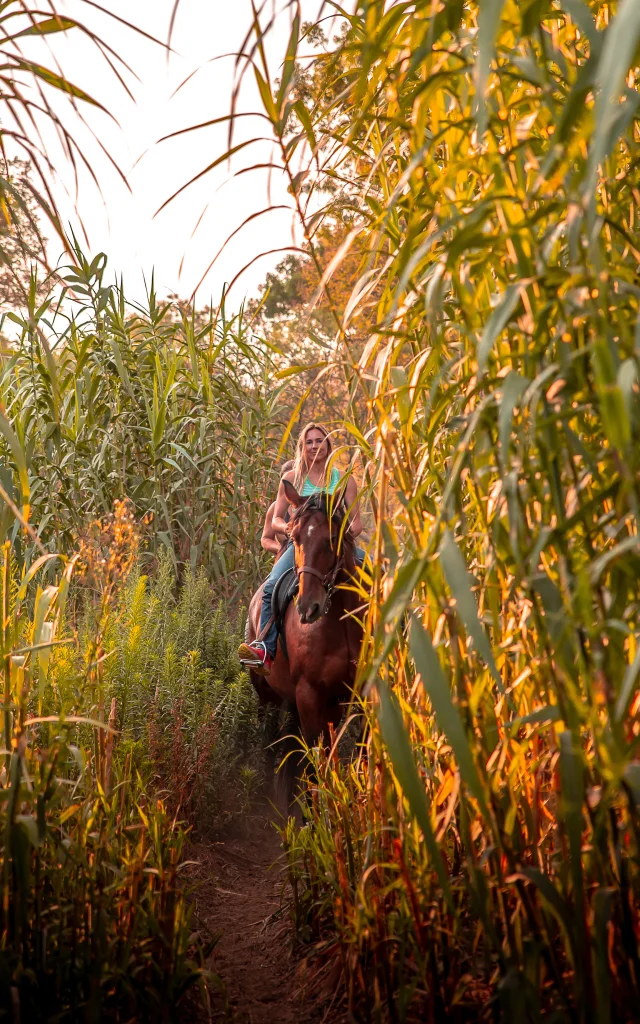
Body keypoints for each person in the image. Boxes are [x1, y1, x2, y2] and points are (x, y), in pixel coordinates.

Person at [238, 422, 364, 675]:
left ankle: (396, 643)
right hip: (302, 546)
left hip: (336, 546)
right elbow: (276, 518)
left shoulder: (345, 480)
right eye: (309, 442)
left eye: (320, 440)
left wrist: (336, 536)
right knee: (272, 585)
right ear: (302, 447)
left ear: (328, 445)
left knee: (378, 575)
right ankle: (265, 648)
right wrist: (291, 530)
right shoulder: (291, 479)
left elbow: (357, 524)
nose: (315, 446)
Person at [261, 460, 293, 556]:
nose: (291, 485)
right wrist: (281, 549)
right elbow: (265, 539)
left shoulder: (312, 503)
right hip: (287, 554)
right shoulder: (275, 508)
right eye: (286, 482)